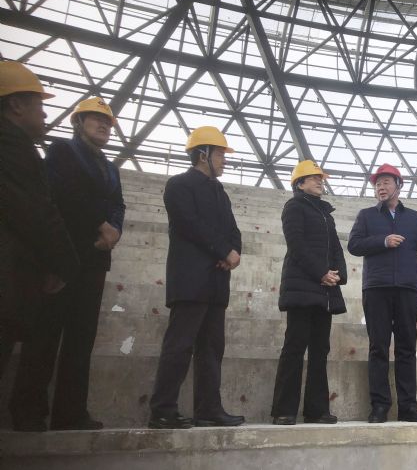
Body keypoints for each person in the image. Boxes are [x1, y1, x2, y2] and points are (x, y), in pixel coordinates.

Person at [10, 96, 125, 431]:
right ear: (78, 122)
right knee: (45, 333)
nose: (104, 125)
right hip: (64, 253)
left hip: (96, 258)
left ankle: (70, 412)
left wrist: (114, 229)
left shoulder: (110, 168)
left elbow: (118, 205)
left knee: (81, 338)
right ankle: (28, 409)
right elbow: (62, 192)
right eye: (96, 119)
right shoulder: (62, 151)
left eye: (107, 122)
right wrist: (99, 224)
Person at [148, 126, 244, 429]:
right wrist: (223, 250)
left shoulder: (220, 192)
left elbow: (233, 229)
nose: (224, 160)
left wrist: (233, 251)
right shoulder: (179, 185)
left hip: (216, 281)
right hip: (191, 279)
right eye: (220, 154)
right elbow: (188, 224)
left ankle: (208, 409)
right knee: (179, 346)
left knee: (212, 349)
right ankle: (163, 409)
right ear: (203, 155)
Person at [0, 61, 78, 390]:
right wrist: (65, 264)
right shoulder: (13, 148)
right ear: (16, 104)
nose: (45, 113)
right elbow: (36, 212)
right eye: (39, 104)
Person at [348, 163, 417, 423]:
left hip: (407, 289)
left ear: (398, 186)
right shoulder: (366, 216)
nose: (381, 187)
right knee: (378, 347)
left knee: (406, 349)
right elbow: (354, 245)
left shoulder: (413, 217)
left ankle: (408, 407)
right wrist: (383, 241)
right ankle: (379, 406)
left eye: (386, 182)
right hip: (376, 288)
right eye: (377, 184)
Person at [271, 160, 347, 425]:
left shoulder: (326, 214)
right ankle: (284, 410)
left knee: (319, 349)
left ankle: (316, 409)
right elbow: (297, 244)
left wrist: (338, 275)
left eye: (320, 178)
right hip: (303, 287)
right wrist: (321, 272)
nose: (319, 181)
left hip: (325, 290)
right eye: (314, 178)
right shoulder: (294, 207)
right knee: (295, 346)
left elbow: (336, 248)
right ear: (299, 183)